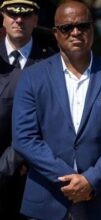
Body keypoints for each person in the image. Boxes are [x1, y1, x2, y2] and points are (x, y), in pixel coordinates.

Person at [12, 1, 101, 219]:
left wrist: (90, 180)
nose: (76, 32)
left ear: (92, 29)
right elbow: (24, 138)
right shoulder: (32, 77)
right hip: (46, 199)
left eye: (83, 26)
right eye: (67, 28)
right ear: (56, 33)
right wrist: (69, 178)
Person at [0, 0, 53, 218]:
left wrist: (10, 164)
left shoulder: (51, 61)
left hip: (33, 173)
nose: (19, 20)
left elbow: (49, 120)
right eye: (12, 14)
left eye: (26, 15)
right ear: (3, 17)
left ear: (35, 20)